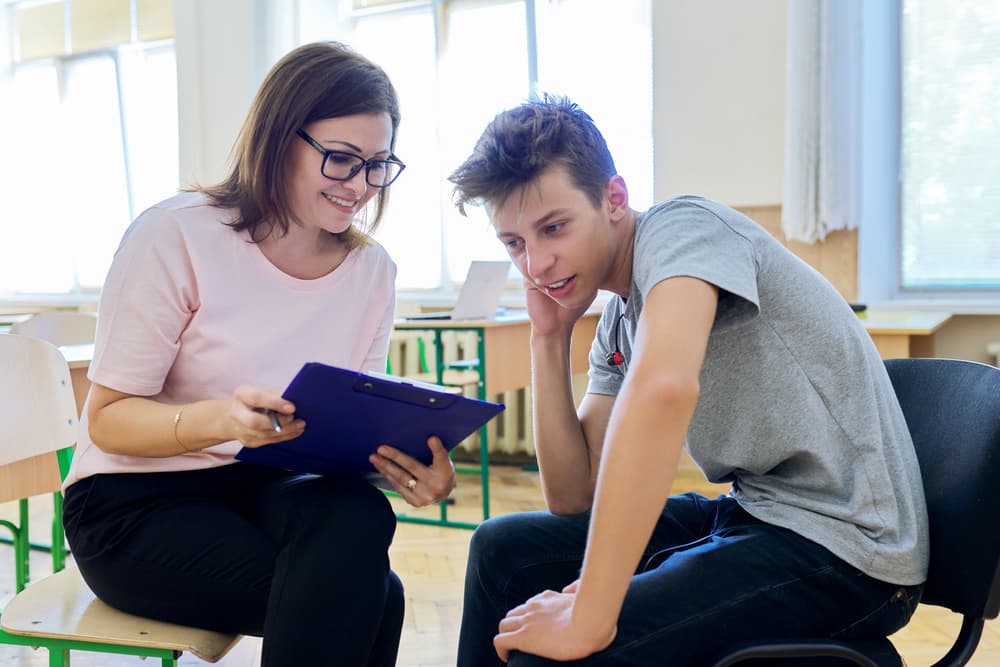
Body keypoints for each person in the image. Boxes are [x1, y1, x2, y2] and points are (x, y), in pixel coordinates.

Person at [447, 96, 929, 667]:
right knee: (503, 550)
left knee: (559, 656)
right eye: (515, 244)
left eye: (554, 228)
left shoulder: (683, 228)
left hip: (848, 548)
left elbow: (664, 388)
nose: (537, 264)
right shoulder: (622, 317)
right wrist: (548, 339)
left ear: (614, 200)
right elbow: (573, 493)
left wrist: (591, 616)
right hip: (756, 514)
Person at [61, 41, 456, 667]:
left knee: (357, 510)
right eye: (341, 160)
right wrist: (221, 419)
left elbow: (345, 440)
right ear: (277, 140)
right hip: (134, 505)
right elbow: (107, 420)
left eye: (378, 165)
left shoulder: (370, 271)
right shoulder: (176, 235)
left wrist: (405, 469)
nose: (360, 186)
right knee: (374, 595)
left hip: (265, 491)